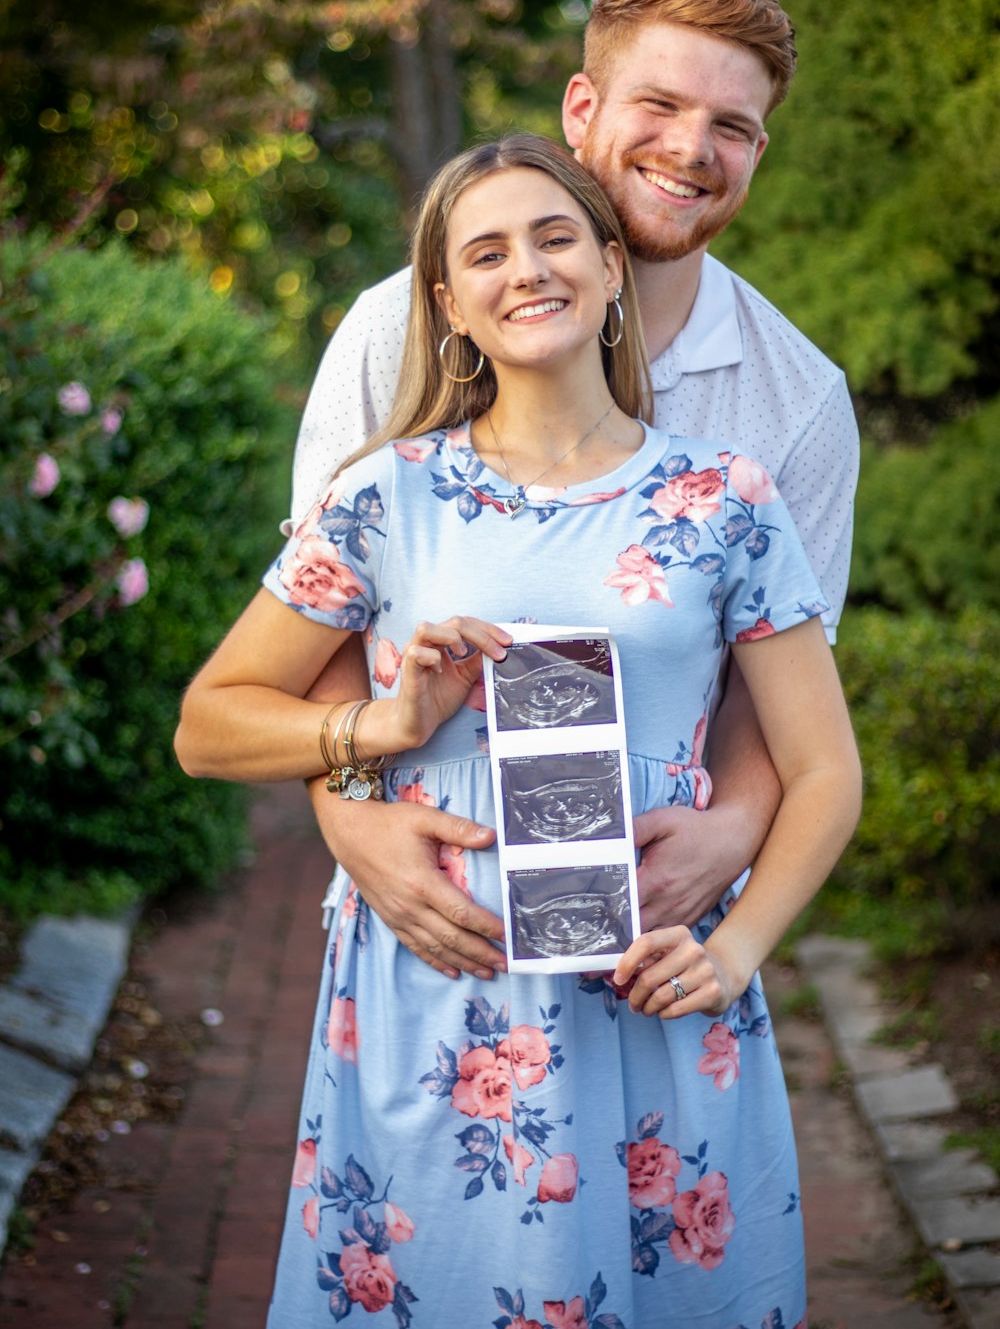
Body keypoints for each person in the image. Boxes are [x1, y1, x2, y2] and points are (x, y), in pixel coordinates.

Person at [175, 134, 861, 1326]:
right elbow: (209, 726)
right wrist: (378, 724)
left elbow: (822, 770)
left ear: (605, 266)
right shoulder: (382, 494)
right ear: (448, 306)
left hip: (647, 985)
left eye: (552, 238)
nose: (524, 270)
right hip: (435, 986)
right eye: (483, 253)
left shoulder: (724, 497)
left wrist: (739, 948)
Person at [286, 0, 860, 982]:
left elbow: (777, 690)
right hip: (429, 917)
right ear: (583, 109)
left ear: (759, 150)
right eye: (660, 104)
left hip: (651, 937)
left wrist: (733, 829)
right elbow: (323, 616)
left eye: (730, 125)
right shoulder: (396, 327)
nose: (691, 149)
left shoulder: (798, 401)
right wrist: (349, 819)